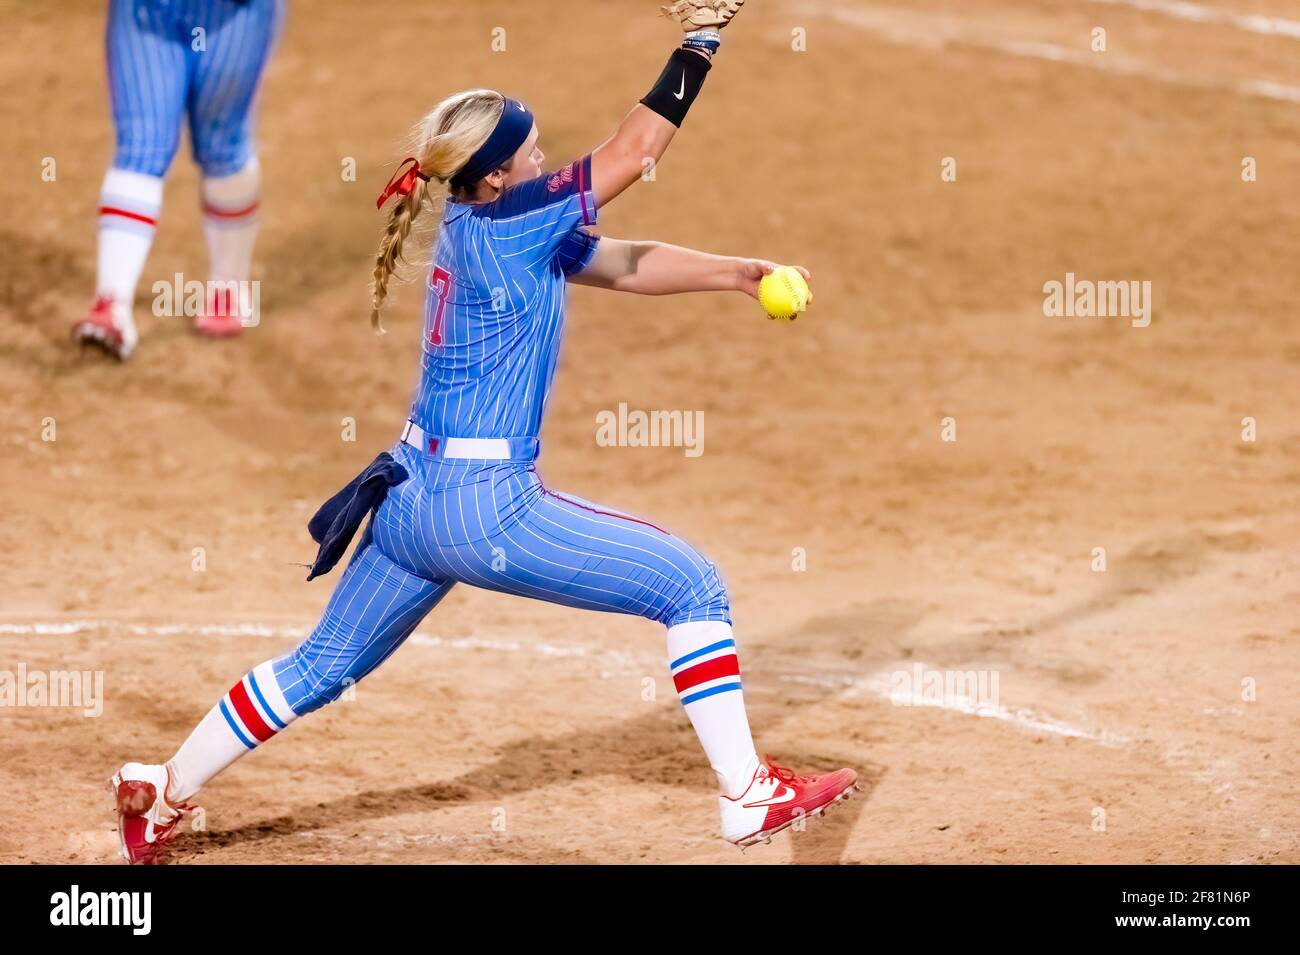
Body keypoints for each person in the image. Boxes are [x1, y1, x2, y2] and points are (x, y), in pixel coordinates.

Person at [110, 0, 855, 864]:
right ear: (496, 175)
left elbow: (613, 260)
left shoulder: (485, 222)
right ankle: (746, 796)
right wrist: (701, 42)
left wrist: (734, 272)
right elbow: (637, 151)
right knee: (692, 586)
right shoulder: (520, 219)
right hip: (481, 512)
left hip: (409, 504)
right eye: (531, 152)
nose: (545, 159)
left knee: (316, 668)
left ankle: (163, 789)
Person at [73, 0, 284, 360]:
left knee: (223, 145)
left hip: (235, 15)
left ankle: (228, 286)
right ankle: (112, 305)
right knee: (141, 146)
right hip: (147, 11)